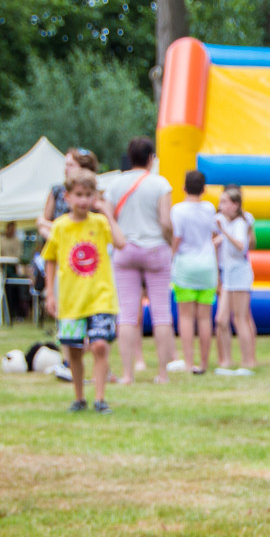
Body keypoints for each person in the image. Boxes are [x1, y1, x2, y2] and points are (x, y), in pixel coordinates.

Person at [42, 169, 126, 413]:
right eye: (78, 195)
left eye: (88, 195)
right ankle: (79, 397)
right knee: (75, 351)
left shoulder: (100, 223)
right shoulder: (60, 227)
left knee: (100, 345)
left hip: (100, 297)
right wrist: (50, 293)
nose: (83, 200)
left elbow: (121, 243)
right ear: (67, 197)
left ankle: (100, 398)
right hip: (71, 299)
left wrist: (108, 213)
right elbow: (50, 259)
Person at [107, 136, 179, 384]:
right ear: (151, 158)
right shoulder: (161, 184)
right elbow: (166, 222)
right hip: (155, 250)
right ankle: (162, 373)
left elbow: (108, 218)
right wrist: (170, 242)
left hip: (125, 250)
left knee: (126, 314)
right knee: (161, 314)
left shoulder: (115, 185)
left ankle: (127, 374)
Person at [171, 170, 218, 375]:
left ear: (184, 187)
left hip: (185, 266)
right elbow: (214, 233)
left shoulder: (178, 210)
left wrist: (170, 257)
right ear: (204, 189)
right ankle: (204, 362)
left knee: (186, 317)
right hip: (207, 265)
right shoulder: (209, 208)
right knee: (205, 317)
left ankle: (189, 362)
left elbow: (177, 238)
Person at [214, 187, 257, 375]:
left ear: (235, 205)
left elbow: (242, 247)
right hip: (228, 274)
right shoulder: (224, 221)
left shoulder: (240, 223)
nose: (220, 206)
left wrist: (223, 233)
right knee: (221, 319)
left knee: (240, 318)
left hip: (239, 273)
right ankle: (226, 359)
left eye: (224, 202)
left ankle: (249, 360)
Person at [37, 147, 99, 242]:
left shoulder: (95, 195)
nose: (66, 169)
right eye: (66, 164)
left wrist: (51, 226)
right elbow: (42, 223)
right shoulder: (56, 191)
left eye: (71, 165)